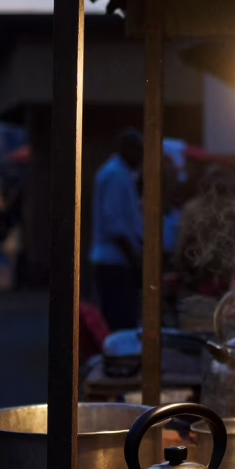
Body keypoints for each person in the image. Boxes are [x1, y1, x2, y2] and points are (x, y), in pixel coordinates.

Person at [90, 129, 144, 330]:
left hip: (117, 259)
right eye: (139, 152)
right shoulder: (115, 175)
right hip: (114, 261)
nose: (141, 158)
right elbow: (114, 224)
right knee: (119, 321)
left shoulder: (121, 174)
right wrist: (134, 258)